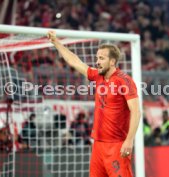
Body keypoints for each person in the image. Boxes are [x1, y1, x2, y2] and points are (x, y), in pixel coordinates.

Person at [47, 31, 141, 177]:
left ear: (112, 61)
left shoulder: (125, 81)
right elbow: (75, 61)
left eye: (101, 58)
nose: (97, 61)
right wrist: (56, 42)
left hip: (116, 145)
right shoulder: (97, 76)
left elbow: (136, 111)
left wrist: (129, 141)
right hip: (98, 145)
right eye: (97, 57)